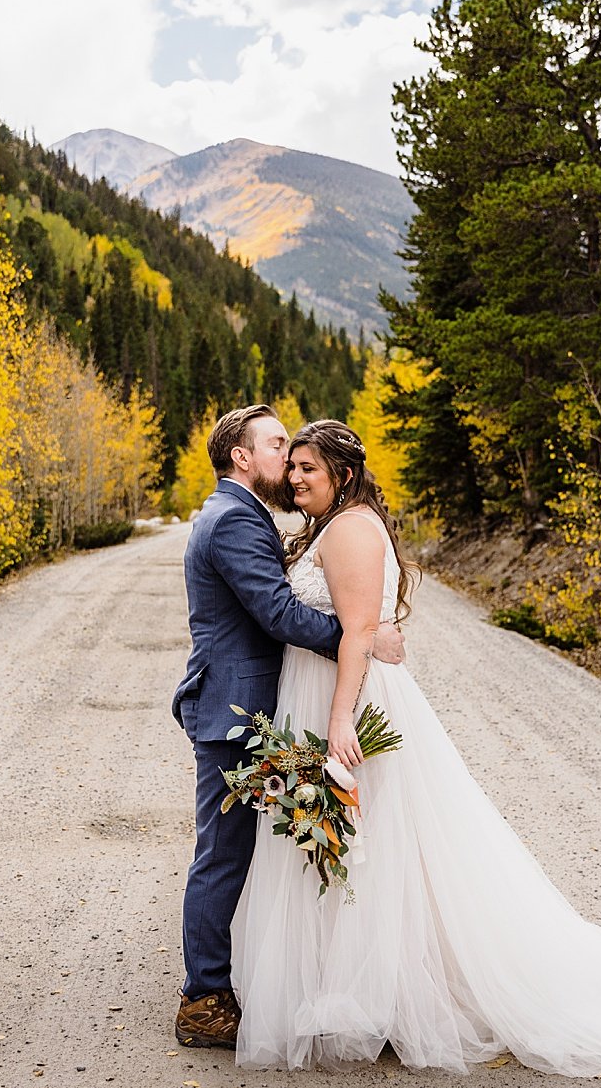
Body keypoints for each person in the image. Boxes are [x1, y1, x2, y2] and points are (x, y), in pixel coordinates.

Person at [229, 419, 601, 1075]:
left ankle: (379, 990)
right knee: (346, 839)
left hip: (341, 700)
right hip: (319, 691)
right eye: (290, 467)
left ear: (342, 475)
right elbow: (363, 624)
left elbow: (355, 632)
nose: (294, 478)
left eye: (307, 469)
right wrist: (365, 643)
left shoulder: (348, 527)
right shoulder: (329, 525)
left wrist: (341, 717)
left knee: (368, 841)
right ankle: (348, 982)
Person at [171, 404, 406, 1050]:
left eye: (301, 455)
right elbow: (279, 613)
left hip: (251, 704)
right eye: (277, 445)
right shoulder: (233, 520)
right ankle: (205, 997)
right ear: (242, 456)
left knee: (295, 844)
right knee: (224, 854)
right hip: (234, 710)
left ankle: (306, 977)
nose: (288, 459)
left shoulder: (244, 514)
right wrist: (363, 636)